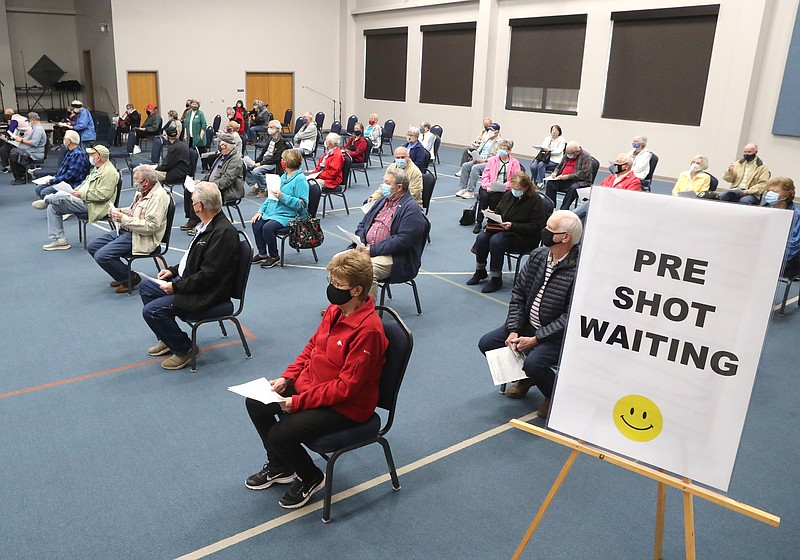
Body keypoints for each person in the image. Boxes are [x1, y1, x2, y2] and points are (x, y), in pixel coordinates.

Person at [243, 249, 388, 509]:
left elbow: (347, 388)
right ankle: (281, 466)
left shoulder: (369, 331)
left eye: (337, 284)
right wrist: (287, 378)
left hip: (346, 406)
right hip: (315, 387)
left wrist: (297, 402)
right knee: (256, 403)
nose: (331, 288)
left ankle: (311, 476)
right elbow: (312, 348)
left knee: (280, 434)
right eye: (330, 281)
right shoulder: (335, 310)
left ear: (356, 290)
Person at [478, 210, 582, 418]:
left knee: (535, 362)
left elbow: (570, 317)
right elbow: (519, 294)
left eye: (550, 229)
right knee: (487, 343)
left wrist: (536, 339)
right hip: (527, 325)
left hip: (556, 336)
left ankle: (553, 395)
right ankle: (527, 377)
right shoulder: (538, 255)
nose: (544, 232)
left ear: (565, 237)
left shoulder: (580, 269)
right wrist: (515, 329)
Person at [140, 182, 240, 370]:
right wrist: (174, 270)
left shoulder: (223, 233)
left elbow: (208, 276)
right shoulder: (207, 226)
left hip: (207, 293)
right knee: (147, 288)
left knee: (152, 311)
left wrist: (176, 287)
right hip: (193, 283)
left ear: (200, 206)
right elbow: (193, 259)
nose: (192, 205)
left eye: (193, 202)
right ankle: (168, 338)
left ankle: (186, 349)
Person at [88, 165, 171, 293]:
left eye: (136, 179)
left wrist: (123, 219)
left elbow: (151, 226)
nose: (134, 182)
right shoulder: (142, 191)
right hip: (129, 230)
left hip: (143, 237)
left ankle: (130, 279)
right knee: (93, 246)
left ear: (146, 182)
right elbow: (135, 210)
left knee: (102, 256)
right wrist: (120, 211)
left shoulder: (158, 197)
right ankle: (122, 275)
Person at [467, 172, 546, 293]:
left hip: (524, 236)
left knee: (496, 241)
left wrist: (513, 226)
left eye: (518, 189)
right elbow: (499, 210)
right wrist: (492, 213)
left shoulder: (535, 200)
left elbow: (536, 227)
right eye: (513, 188)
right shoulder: (509, 195)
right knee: (482, 237)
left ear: (526, 187)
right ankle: (480, 270)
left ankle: (496, 278)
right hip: (504, 229)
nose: (514, 191)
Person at [353, 167, 427, 296]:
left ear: (399, 187)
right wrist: (360, 241)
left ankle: (363, 313)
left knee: (364, 271)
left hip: (395, 256)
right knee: (338, 262)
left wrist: (373, 250)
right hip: (367, 248)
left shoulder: (411, 209)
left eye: (387, 183)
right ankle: (340, 306)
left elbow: (402, 241)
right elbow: (363, 224)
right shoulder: (382, 201)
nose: (383, 186)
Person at [41, 145, 119, 251]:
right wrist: (74, 192)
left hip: (95, 206)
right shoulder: (97, 169)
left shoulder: (110, 172)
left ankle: (46, 200)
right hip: (84, 201)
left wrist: (80, 194)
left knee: (61, 196)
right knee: (53, 207)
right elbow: (84, 185)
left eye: (92, 154)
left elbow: (103, 195)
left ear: (99, 157)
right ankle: (60, 240)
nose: (90, 157)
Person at [250, 149, 309, 269]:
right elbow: (270, 198)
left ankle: (274, 256)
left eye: (283, 160)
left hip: (290, 215)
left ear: (288, 162)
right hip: (275, 212)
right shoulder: (283, 176)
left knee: (267, 228)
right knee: (256, 223)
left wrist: (283, 197)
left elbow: (302, 204)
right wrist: (260, 211)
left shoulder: (300, 180)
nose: (281, 162)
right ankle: (262, 253)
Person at [182, 133, 244, 235]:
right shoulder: (221, 156)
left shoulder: (235, 160)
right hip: (214, 186)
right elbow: (211, 173)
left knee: (201, 196)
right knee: (189, 190)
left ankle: (202, 223)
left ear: (224, 145)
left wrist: (208, 187)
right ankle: (193, 220)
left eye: (219, 143)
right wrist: (201, 181)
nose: (218, 144)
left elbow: (226, 180)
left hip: (228, 190)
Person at [572, 154, 641, 221]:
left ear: (627, 166)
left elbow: (629, 201)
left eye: (618, 162)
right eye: (615, 162)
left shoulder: (634, 181)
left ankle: (570, 216)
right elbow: (599, 189)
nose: (615, 165)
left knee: (588, 207)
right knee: (587, 209)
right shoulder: (611, 177)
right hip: (602, 204)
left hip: (614, 208)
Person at [473, 140, 522, 233]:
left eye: (504, 149)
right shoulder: (492, 160)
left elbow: (515, 178)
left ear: (509, 151)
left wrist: (504, 186)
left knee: (495, 199)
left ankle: (490, 222)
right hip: (489, 186)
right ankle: (479, 221)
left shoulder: (515, 163)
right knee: (484, 197)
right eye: (501, 148)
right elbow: (485, 175)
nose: (502, 150)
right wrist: (487, 186)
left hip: (504, 188)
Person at [31, 130, 90, 203]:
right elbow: (63, 171)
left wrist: (53, 181)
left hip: (71, 183)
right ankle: (50, 202)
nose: (64, 140)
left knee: (44, 192)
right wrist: (54, 178)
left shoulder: (77, 154)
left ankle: (57, 206)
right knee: (38, 188)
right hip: (63, 181)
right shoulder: (70, 152)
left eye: (65, 139)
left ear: (69, 141)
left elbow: (70, 176)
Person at [763, 177, 800, 278]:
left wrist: (772, 263)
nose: (770, 194)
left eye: (775, 191)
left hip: (784, 263)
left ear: (787, 194)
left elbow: (793, 246)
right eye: (769, 191)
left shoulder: (796, 216)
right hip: (762, 258)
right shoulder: (763, 210)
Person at [455, 122, 501, 198]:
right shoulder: (486, 140)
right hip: (479, 159)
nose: (490, 132)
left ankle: (470, 191)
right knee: (465, 165)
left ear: (497, 132)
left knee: (475, 168)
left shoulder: (500, 142)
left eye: (492, 130)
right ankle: (463, 188)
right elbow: (479, 150)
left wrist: (485, 160)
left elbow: (497, 157)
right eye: (489, 130)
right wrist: (475, 157)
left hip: (489, 162)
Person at [544, 142, 594, 210]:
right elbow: (559, 166)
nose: (568, 155)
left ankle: (563, 209)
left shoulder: (586, 157)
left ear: (576, 152)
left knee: (573, 188)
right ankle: (551, 207)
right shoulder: (567, 155)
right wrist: (555, 172)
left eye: (570, 154)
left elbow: (584, 173)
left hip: (580, 181)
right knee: (550, 184)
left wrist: (568, 176)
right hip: (564, 179)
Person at [247, 120, 289, 197]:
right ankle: (257, 185)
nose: (268, 129)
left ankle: (263, 189)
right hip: (265, 161)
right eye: (268, 127)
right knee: (246, 166)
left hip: (273, 164)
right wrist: (256, 161)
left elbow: (276, 159)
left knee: (256, 171)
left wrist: (260, 164)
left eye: (271, 127)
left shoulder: (281, 141)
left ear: (277, 129)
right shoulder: (271, 139)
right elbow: (263, 152)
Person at [8, 112, 47, 184]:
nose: (28, 123)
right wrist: (20, 138)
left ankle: (23, 177)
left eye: (28, 121)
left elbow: (34, 143)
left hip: (34, 153)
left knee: (14, 155)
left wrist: (21, 140)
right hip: (30, 151)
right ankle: (22, 176)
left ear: (33, 120)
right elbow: (30, 140)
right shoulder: (35, 129)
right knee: (13, 152)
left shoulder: (38, 129)